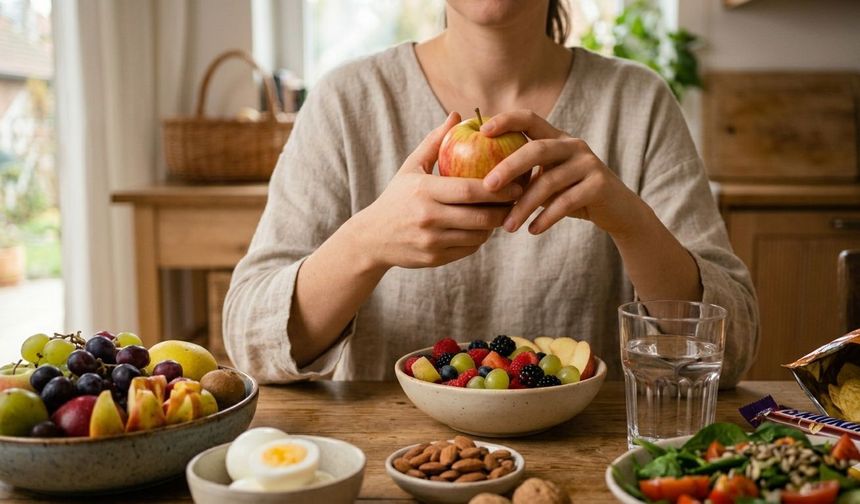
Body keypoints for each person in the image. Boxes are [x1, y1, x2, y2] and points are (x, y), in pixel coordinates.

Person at [223, 0, 759, 387]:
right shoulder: (348, 101)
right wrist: (364, 243)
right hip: (396, 463)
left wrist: (631, 222)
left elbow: (730, 351)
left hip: (590, 464)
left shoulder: (637, 102)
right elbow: (250, 341)